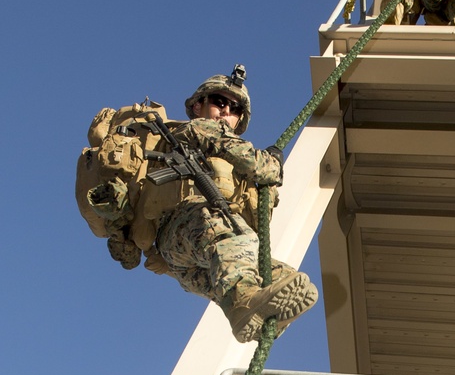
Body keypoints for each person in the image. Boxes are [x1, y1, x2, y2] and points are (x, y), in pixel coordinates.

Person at [79, 66, 318, 343]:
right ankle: (244, 301)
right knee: (231, 234)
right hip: (191, 228)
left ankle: (250, 309)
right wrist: (273, 161)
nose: (226, 110)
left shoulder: (229, 162)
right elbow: (264, 168)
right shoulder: (198, 130)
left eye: (235, 108)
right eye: (219, 101)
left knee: (285, 278)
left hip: (194, 261)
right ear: (197, 105)